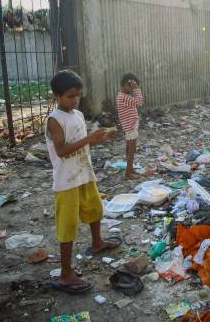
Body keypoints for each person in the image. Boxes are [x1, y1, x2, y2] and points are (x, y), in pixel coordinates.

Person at [46, 70, 120, 294]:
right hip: (66, 181)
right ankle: (66, 273)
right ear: (57, 96)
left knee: (95, 208)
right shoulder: (54, 120)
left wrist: (98, 138)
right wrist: (89, 138)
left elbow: (80, 143)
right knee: (68, 226)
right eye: (70, 96)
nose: (75, 99)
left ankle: (97, 242)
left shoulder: (77, 114)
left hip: (84, 173)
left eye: (78, 95)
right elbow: (61, 151)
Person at [117, 73, 144, 180]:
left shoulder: (123, 96)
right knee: (132, 149)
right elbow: (139, 102)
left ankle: (130, 169)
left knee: (129, 148)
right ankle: (128, 173)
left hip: (129, 126)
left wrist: (134, 88)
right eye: (131, 85)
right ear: (126, 84)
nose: (133, 88)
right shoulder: (124, 97)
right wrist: (137, 89)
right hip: (130, 126)